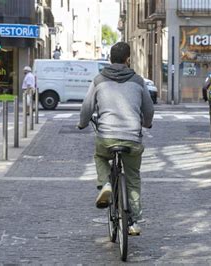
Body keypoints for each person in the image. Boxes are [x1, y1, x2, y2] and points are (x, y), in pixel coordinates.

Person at [77, 42, 154, 235]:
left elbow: (87, 108)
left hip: (106, 137)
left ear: (110, 58)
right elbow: (149, 109)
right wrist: (146, 123)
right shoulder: (138, 80)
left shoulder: (99, 79)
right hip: (132, 139)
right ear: (128, 59)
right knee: (133, 178)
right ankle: (133, 221)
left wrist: (83, 123)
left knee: (100, 157)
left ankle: (106, 183)